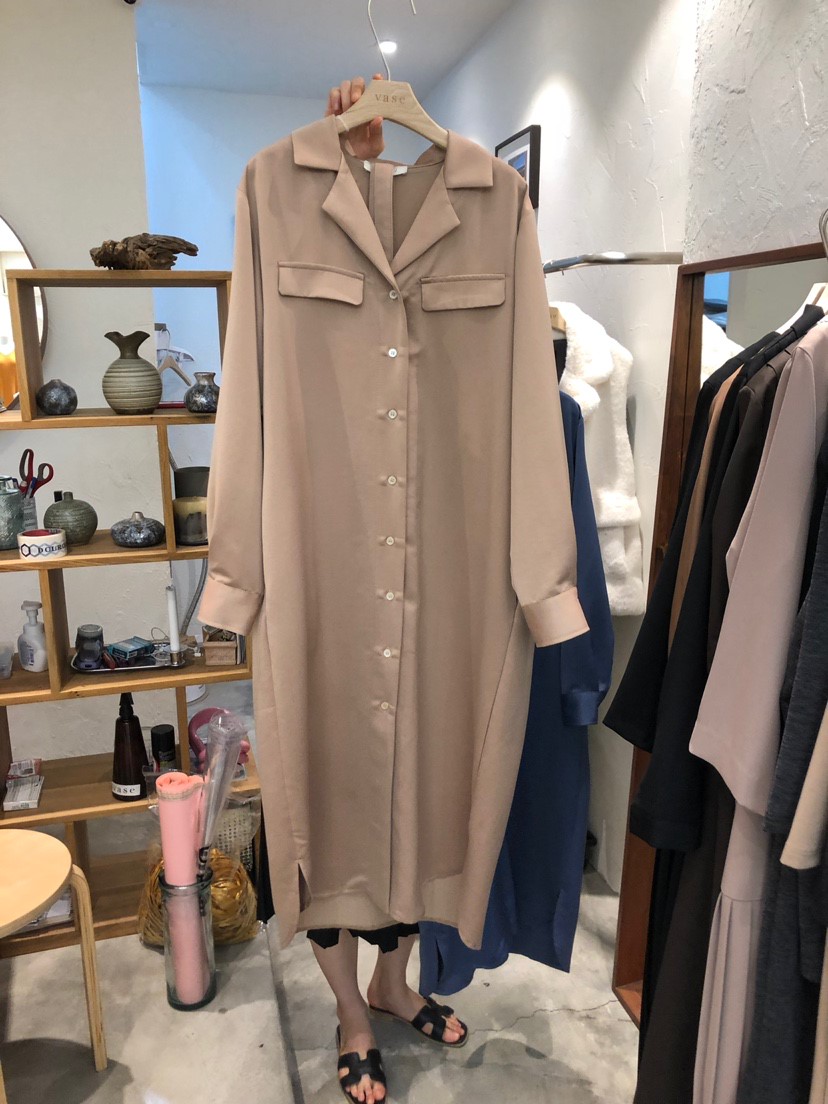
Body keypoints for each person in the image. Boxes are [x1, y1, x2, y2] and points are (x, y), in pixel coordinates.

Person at [306, 77, 468, 1104]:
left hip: (436, 578)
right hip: (325, 577)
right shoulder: (280, 194)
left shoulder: (486, 206)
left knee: (418, 811)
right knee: (330, 815)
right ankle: (352, 1012)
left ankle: (394, 984)